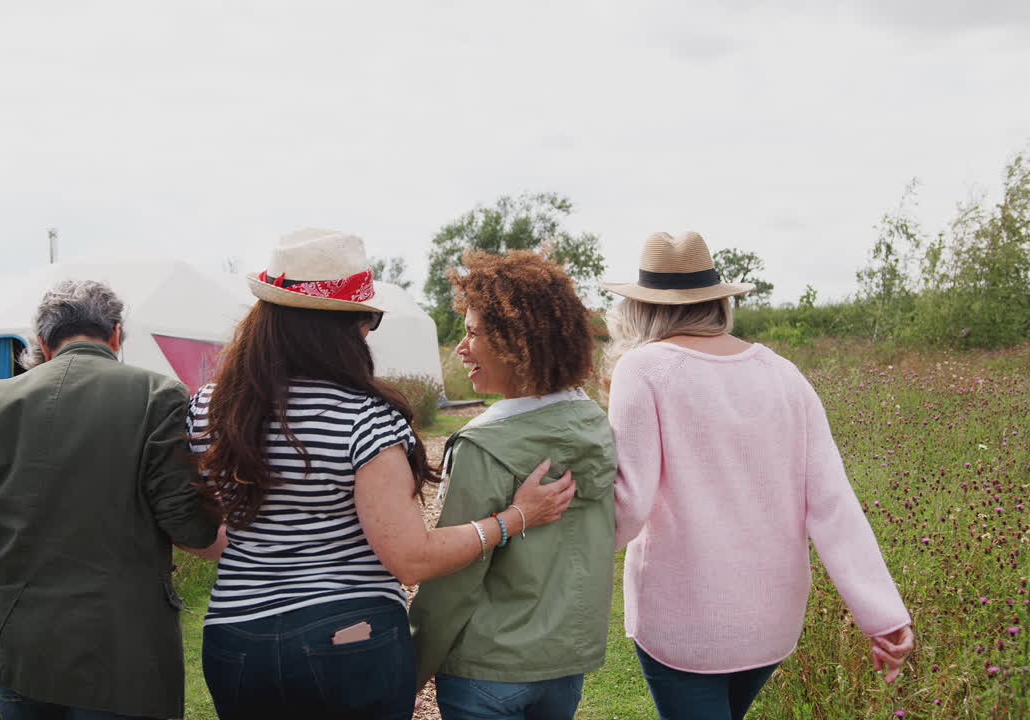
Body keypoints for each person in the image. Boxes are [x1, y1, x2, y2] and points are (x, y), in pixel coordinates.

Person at [186, 228, 577, 720]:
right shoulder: (363, 417)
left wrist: (271, 550)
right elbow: (411, 559)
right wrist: (514, 518)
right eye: (367, 320)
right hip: (348, 637)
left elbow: (198, 527)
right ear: (344, 325)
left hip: (235, 637)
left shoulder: (208, 408)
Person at [602, 232, 915, 720]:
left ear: (642, 307)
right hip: (770, 622)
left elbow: (628, 506)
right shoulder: (784, 373)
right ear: (719, 301)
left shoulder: (642, 369)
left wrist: (551, 536)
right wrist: (882, 614)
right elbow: (833, 502)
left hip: (685, 622)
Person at [0, 280, 220, 720]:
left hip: (19, 645)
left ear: (43, 343)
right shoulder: (157, 395)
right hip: (127, 650)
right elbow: (187, 523)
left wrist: (9, 583)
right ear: (116, 335)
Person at [409, 250, 616, 720]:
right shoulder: (595, 426)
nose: (460, 349)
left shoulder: (484, 446)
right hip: (563, 664)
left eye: (472, 333)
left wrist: (412, 670)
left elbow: (452, 581)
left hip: (488, 668)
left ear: (516, 342)